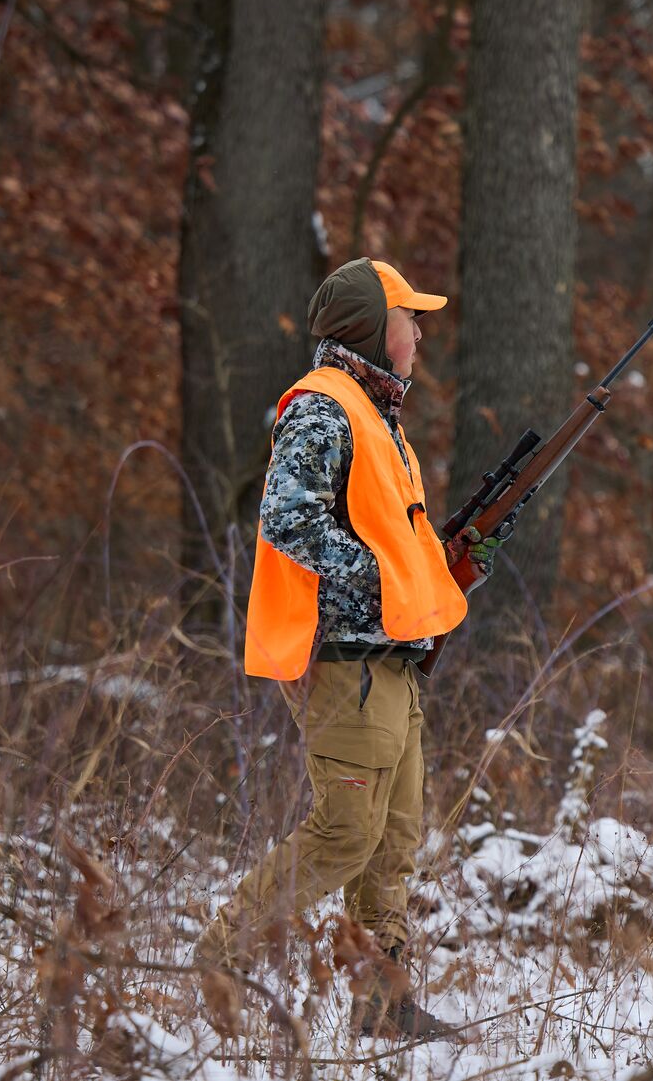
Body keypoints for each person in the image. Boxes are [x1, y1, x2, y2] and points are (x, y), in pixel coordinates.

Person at [196, 257, 503, 1041]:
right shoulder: (324, 410)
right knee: (346, 833)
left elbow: (386, 540)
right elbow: (289, 520)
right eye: (410, 317)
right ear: (373, 328)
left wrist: (446, 564)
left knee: (392, 843)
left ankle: (383, 1003)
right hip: (345, 663)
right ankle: (218, 954)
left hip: (391, 664)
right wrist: (381, 584)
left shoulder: (376, 416)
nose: (421, 332)